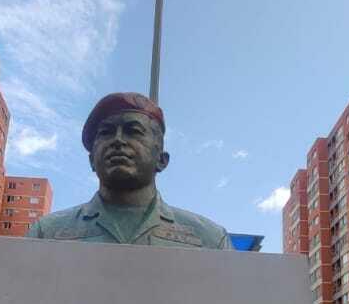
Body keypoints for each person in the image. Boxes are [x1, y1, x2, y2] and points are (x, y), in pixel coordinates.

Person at [26, 92, 232, 249]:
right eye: (106, 132)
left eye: (133, 131)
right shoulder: (47, 233)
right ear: (91, 161)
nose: (117, 140)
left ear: (161, 160)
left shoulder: (210, 239)